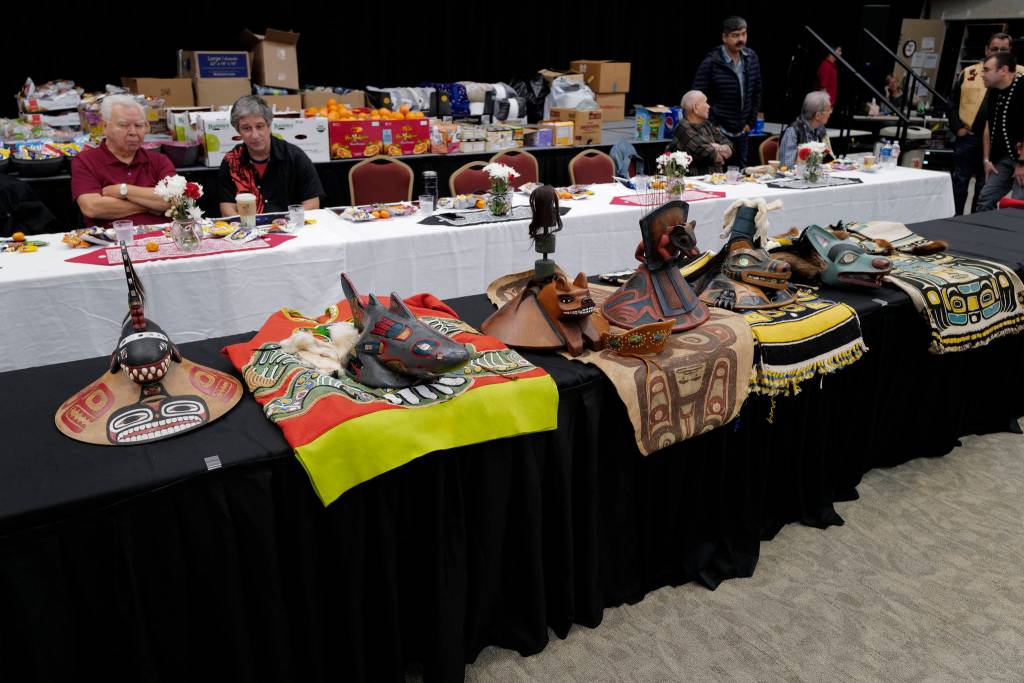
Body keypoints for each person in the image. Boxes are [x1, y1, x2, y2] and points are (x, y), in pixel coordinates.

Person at [71, 94, 175, 228]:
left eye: (139, 125)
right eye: (124, 125)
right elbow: (92, 207)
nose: (133, 132)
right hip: (111, 242)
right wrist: (151, 205)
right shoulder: (85, 161)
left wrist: (123, 190)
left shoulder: (159, 160)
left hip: (160, 238)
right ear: (105, 127)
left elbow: (173, 200)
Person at [948, 33, 1020, 214]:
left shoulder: (1020, 80)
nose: (983, 74)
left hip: (1014, 150)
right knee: (973, 189)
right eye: (995, 49)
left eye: (1004, 49)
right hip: (981, 142)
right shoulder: (978, 78)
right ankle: (962, 223)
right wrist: (958, 129)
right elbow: (954, 104)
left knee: (1010, 199)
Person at [218, 95, 324, 217]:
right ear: (238, 131)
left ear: (268, 126)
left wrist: (283, 223)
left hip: (291, 229)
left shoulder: (295, 156)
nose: (255, 135)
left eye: (259, 126)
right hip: (249, 232)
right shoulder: (230, 162)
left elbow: (313, 204)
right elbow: (227, 209)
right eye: (247, 128)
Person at [692, 15, 763, 167]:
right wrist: (713, 125)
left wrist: (751, 121)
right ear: (724, 37)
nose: (741, 39)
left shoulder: (751, 58)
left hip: (742, 130)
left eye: (743, 34)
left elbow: (757, 91)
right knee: (719, 175)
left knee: (741, 174)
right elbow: (696, 97)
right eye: (735, 35)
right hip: (719, 130)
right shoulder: (712, 62)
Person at [977, 52, 1024, 212]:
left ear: (1003, 70)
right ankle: (984, 235)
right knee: (985, 198)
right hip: (1003, 158)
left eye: (986, 70)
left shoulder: (1022, 87)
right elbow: (989, 127)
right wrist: (987, 159)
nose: (982, 74)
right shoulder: (993, 91)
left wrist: (1022, 163)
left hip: (1022, 157)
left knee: (1019, 205)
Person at [670, 90, 733, 175]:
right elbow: (708, 154)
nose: (709, 106)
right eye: (706, 102)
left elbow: (729, 145)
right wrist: (717, 149)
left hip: (717, 180)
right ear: (696, 108)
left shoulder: (707, 124)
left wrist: (716, 147)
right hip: (696, 182)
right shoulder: (683, 127)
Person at [778, 91, 834, 168]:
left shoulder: (820, 130)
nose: (831, 112)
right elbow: (786, 166)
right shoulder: (793, 131)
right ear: (817, 115)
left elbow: (829, 161)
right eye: (828, 110)